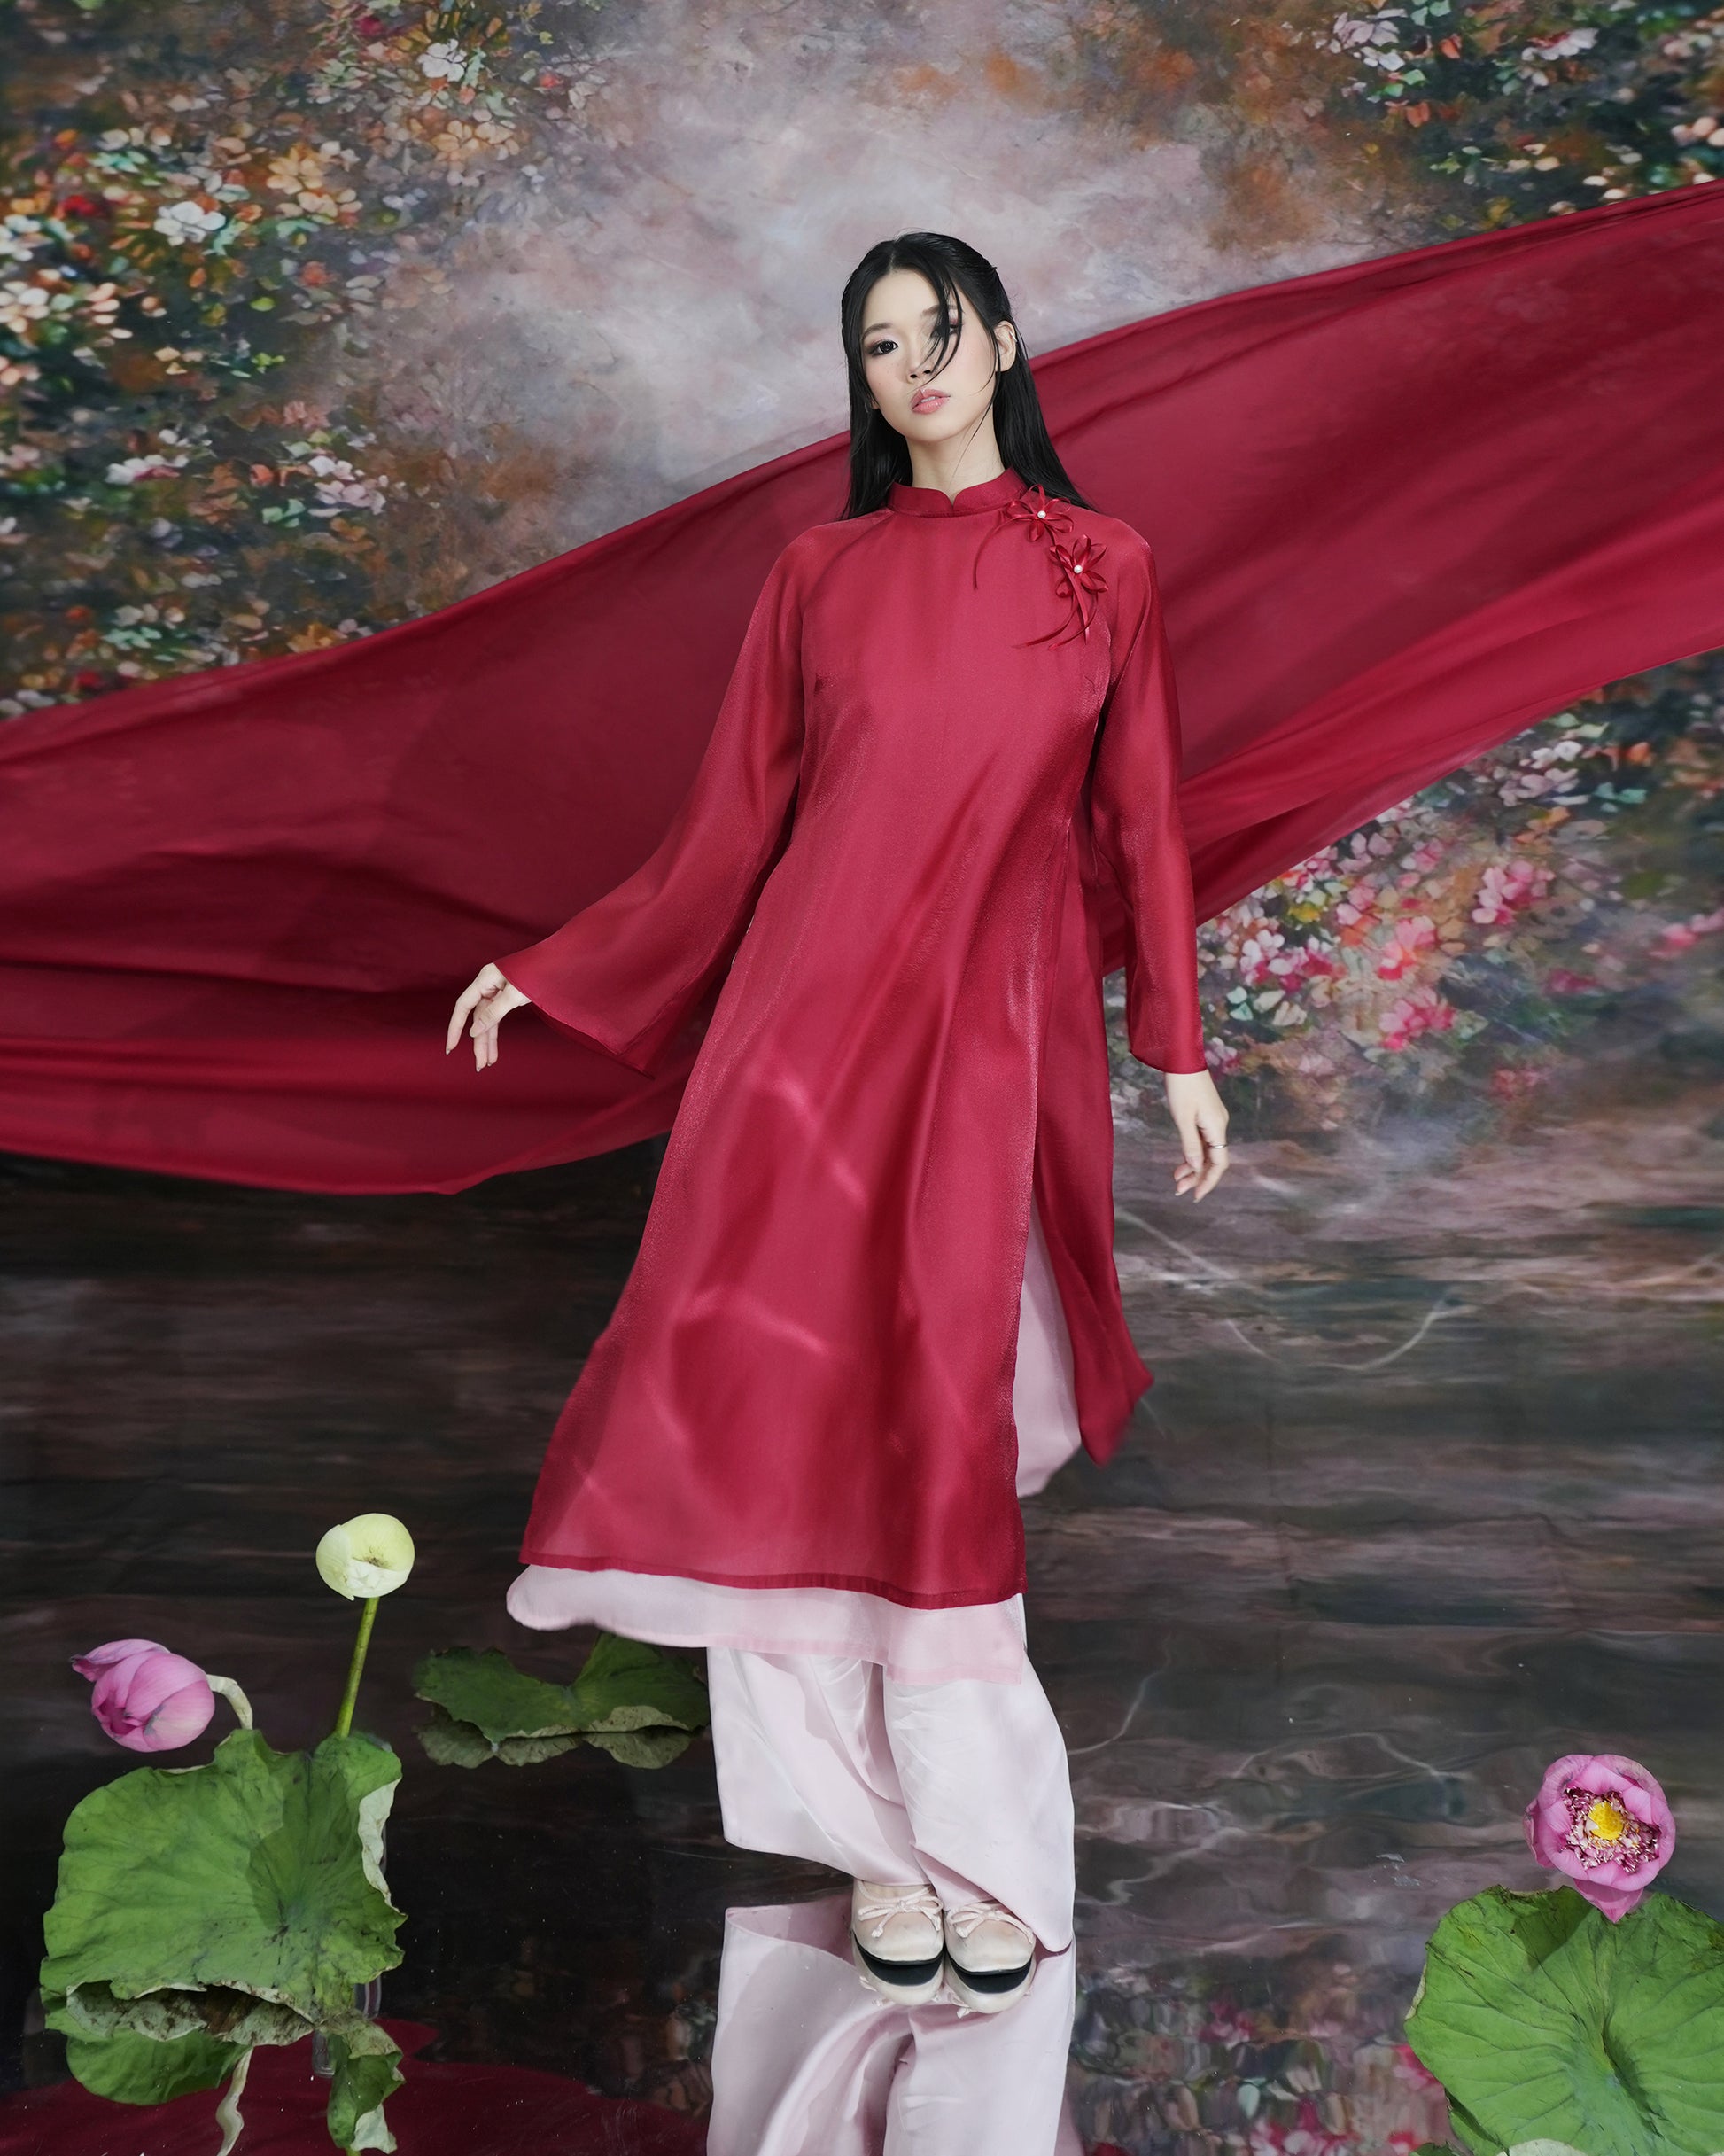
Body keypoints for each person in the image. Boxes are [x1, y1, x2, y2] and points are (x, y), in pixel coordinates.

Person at [445, 231, 1230, 2021]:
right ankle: (866, 1846)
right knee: (777, 1420)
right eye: (881, 344)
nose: (916, 365)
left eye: (940, 331)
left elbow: (1142, 824)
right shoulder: (818, 572)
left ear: (1003, 342)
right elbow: (727, 830)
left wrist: (1175, 1046)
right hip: (794, 1046)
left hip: (983, 1042)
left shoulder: (1103, 564)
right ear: (861, 379)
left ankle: (984, 1856)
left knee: (931, 1425)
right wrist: (561, 964)